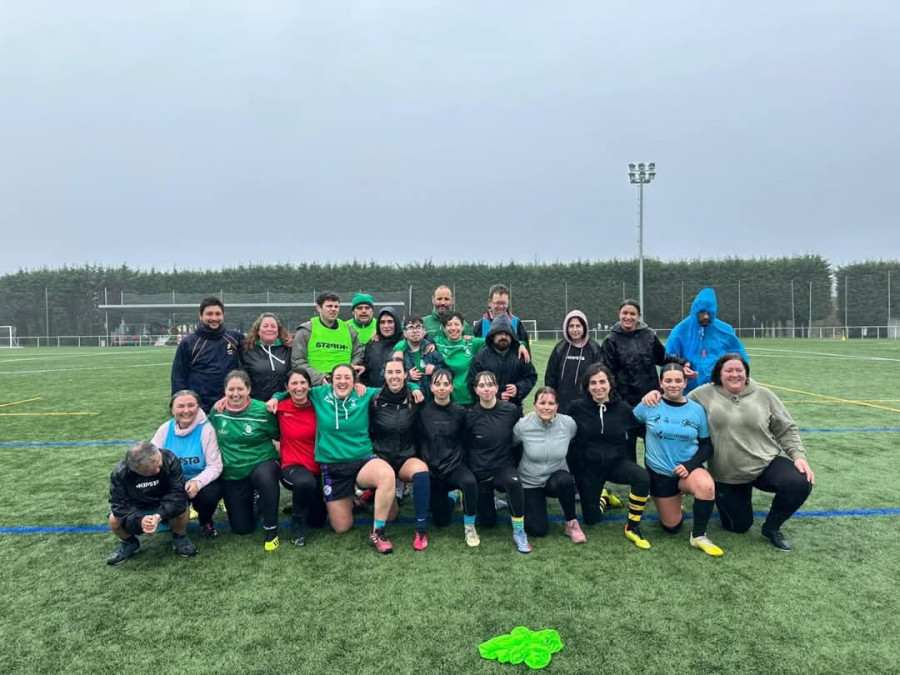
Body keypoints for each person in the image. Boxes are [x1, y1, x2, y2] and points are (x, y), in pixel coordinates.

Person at [690, 353, 815, 552]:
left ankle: (772, 527)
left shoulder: (764, 394)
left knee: (800, 481)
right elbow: (677, 405)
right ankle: (732, 499)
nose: (734, 374)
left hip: (765, 463)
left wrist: (798, 456)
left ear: (746, 373)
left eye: (739, 370)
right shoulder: (702, 394)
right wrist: (653, 396)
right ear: (719, 373)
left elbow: (786, 428)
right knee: (738, 527)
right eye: (728, 370)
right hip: (727, 473)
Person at [633, 363, 724, 557]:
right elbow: (629, 424)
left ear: (685, 383)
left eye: (678, 380)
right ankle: (674, 498)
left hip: (687, 471)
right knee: (671, 526)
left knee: (707, 486)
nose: (673, 384)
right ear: (661, 383)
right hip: (660, 474)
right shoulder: (649, 404)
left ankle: (698, 536)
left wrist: (690, 466)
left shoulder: (697, 410)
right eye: (668, 380)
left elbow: (707, 445)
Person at [307, 363, 398, 554]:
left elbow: (394, 386)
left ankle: (378, 532)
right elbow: (293, 388)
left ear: (355, 380)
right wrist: (276, 397)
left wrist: (414, 388)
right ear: (331, 380)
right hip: (333, 466)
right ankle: (354, 497)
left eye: (347, 377)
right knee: (342, 527)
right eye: (338, 377)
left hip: (362, 460)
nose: (342, 381)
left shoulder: (363, 394)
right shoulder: (318, 394)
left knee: (389, 492)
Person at [567, 364, 651, 549]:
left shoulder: (622, 408)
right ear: (587, 387)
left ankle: (633, 525)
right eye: (593, 383)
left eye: (602, 382)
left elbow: (642, 429)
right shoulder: (576, 408)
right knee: (591, 520)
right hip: (588, 469)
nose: (598, 387)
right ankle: (603, 498)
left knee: (642, 478)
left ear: (610, 384)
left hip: (616, 464)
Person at [209, 370, 282, 552]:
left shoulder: (262, 411)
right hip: (233, 473)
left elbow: (278, 436)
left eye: (240, 389)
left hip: (262, 462)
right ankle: (256, 500)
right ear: (224, 391)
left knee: (265, 478)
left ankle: (271, 529)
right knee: (242, 529)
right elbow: (207, 438)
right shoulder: (217, 412)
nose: (235, 394)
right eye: (231, 389)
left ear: (248, 389)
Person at [465, 370, 531, 553]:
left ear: (496, 387)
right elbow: (466, 445)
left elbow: (520, 439)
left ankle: (519, 531)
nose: (486, 389)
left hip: (503, 467)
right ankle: (491, 502)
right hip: (481, 471)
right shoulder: (469, 415)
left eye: (490, 385)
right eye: (481, 385)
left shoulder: (511, 411)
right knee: (487, 523)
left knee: (513, 482)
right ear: (476, 390)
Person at [369, 359, 431, 550]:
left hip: (405, 457)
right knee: (391, 515)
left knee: (421, 471)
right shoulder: (373, 399)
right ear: (384, 375)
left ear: (405, 375)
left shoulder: (416, 397)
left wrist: (415, 386)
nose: (394, 376)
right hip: (381, 459)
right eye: (390, 372)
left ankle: (421, 530)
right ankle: (380, 497)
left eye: (398, 372)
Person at [107, 441, 197, 565]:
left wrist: (158, 515)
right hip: (137, 506)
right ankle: (129, 543)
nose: (158, 470)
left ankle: (179, 536)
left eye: (159, 464)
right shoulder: (120, 473)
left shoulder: (169, 459)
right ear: (135, 469)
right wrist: (140, 520)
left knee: (183, 508)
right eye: (150, 471)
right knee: (114, 520)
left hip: (163, 501)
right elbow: (119, 505)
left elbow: (177, 494)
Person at [514, 387, 585, 543]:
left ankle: (571, 522)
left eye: (551, 403)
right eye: (542, 402)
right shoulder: (522, 426)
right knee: (537, 530)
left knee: (565, 480)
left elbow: (578, 442)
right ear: (535, 405)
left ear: (557, 406)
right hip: (530, 482)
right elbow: (510, 447)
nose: (546, 407)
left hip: (555, 477)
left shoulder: (568, 424)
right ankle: (535, 503)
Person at [418, 368, 480, 546]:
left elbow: (467, 441)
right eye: (437, 384)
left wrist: (458, 461)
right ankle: (453, 497)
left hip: (454, 467)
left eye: (446, 384)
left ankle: (470, 527)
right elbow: (420, 440)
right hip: (433, 470)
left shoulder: (461, 412)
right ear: (431, 387)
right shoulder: (423, 412)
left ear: (452, 387)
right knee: (441, 521)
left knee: (469, 482)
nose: (442, 388)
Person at [150, 390, 223, 539]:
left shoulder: (206, 429)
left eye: (191, 405)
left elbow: (215, 465)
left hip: (199, 480)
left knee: (209, 496)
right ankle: (168, 515)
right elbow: (150, 456)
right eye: (180, 406)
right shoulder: (165, 429)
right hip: (173, 481)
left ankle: (205, 520)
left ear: (198, 407)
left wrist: (197, 482)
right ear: (172, 409)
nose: (186, 410)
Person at [275, 367, 327, 547]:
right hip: (292, 466)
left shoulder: (319, 405)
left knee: (318, 521)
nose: (299, 387)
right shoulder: (279, 408)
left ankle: (301, 503)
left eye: (303, 382)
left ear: (309, 385)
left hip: (317, 467)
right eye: (294, 383)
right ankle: (296, 527)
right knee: (305, 483)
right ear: (287, 387)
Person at [665, 287, 747, 392]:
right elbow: (668, 359)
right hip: (688, 391)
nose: (706, 317)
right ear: (695, 311)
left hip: (720, 390)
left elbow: (739, 356)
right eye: (702, 312)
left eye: (709, 313)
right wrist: (681, 370)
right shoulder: (680, 331)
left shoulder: (725, 330)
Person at [171, 297, 243, 411]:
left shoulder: (235, 338)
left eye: (217, 314)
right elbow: (178, 377)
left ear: (223, 316)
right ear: (200, 316)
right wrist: (179, 404)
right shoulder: (188, 343)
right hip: (200, 407)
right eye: (209, 314)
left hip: (229, 404)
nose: (214, 318)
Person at [291, 291, 365, 386]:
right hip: (317, 385)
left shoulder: (349, 331)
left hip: (344, 384)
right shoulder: (306, 331)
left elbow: (359, 354)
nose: (333, 309)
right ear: (319, 308)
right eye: (329, 306)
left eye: (336, 306)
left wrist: (349, 370)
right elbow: (297, 361)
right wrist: (319, 377)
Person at [468, 314, 537, 410]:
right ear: (492, 335)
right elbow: (472, 382)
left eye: (507, 334)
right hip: (487, 409)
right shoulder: (481, 356)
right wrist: (495, 396)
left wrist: (518, 388)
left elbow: (531, 376)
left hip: (514, 408)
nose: (503, 337)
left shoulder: (520, 355)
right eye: (499, 333)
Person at [544, 310, 602, 413]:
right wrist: (551, 398)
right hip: (562, 406)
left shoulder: (594, 349)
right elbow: (550, 376)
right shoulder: (560, 348)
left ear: (584, 327)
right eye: (571, 326)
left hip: (587, 406)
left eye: (578, 326)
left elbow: (600, 376)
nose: (574, 330)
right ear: (566, 328)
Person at [241, 312, 292, 402]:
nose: (269, 329)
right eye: (265, 326)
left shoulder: (288, 350)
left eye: (273, 326)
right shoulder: (246, 350)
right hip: (256, 404)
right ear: (258, 330)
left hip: (281, 403)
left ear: (278, 330)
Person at [396, 316, 445, 402]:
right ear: (405, 333)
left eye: (418, 327)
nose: (415, 331)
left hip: (431, 402)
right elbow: (384, 376)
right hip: (407, 403)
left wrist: (435, 369)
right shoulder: (398, 353)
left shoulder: (432, 351)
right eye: (411, 328)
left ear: (424, 331)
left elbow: (448, 371)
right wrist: (406, 375)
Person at [472, 283, 531, 350]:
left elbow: (526, 351)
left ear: (508, 302)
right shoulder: (480, 325)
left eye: (503, 303)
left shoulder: (517, 323)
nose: (501, 306)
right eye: (497, 303)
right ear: (489, 302)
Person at [362, 306, 403, 388]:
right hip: (375, 394)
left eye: (390, 322)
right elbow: (364, 371)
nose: (386, 326)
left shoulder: (405, 342)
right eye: (382, 322)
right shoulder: (371, 344)